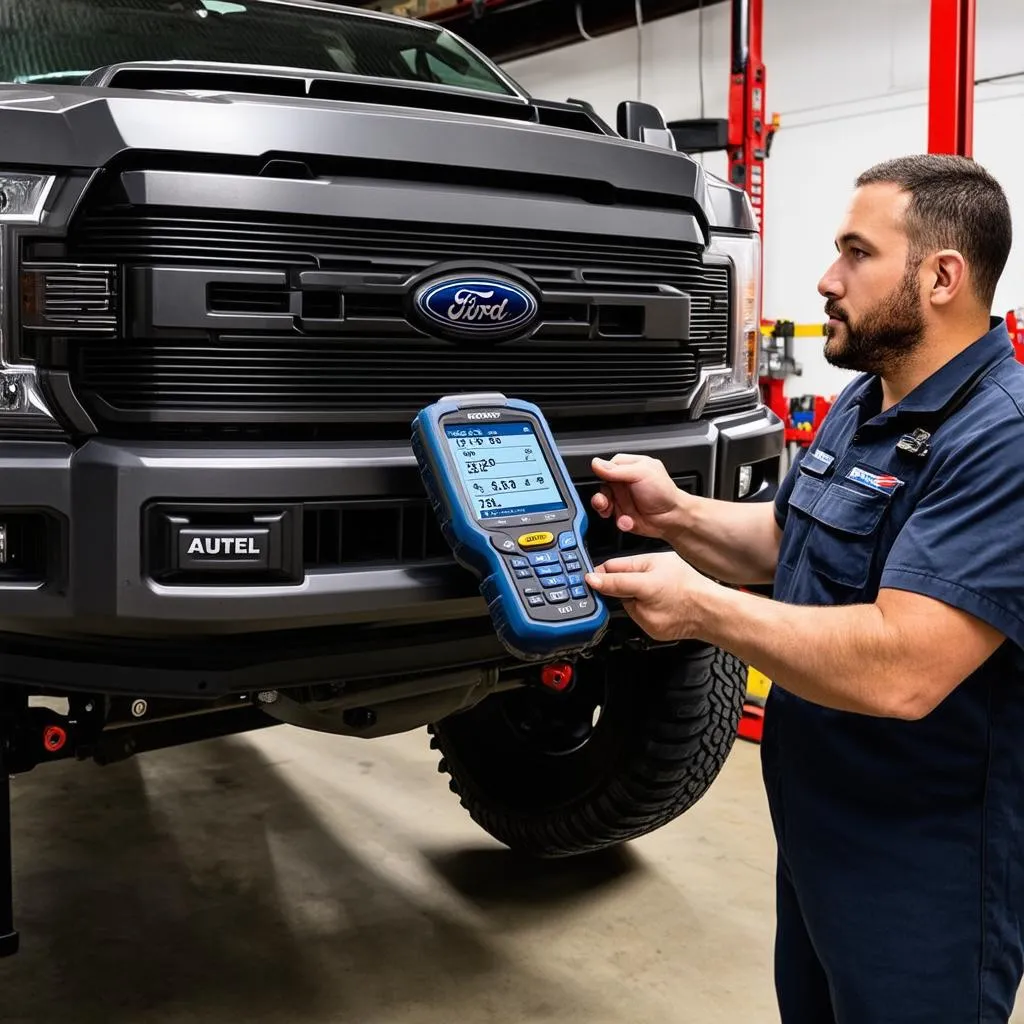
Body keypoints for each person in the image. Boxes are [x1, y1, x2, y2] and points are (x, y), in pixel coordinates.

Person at [584, 154, 1023, 1023]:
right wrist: (676, 515)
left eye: (856, 253)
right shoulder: (869, 400)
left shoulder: (1001, 440)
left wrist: (702, 609)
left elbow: (904, 668)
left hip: (925, 867)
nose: (827, 279)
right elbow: (789, 538)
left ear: (941, 277)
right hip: (819, 831)